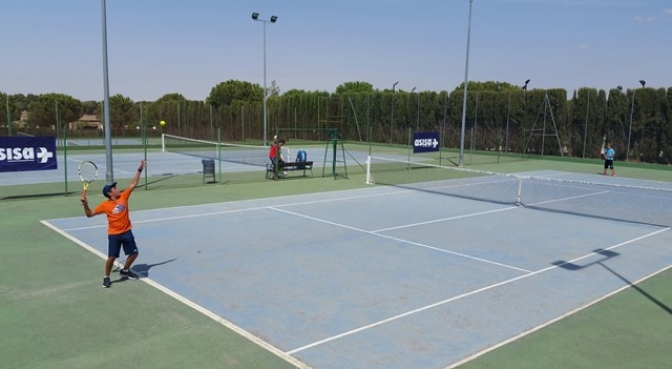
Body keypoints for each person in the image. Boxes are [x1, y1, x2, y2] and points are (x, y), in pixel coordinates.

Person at [80, 160, 146, 288]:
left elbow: (133, 184)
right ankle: (106, 277)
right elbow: (89, 214)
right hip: (114, 235)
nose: (117, 188)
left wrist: (139, 170)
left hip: (127, 231)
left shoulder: (124, 197)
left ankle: (125, 270)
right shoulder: (104, 205)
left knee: (134, 253)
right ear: (110, 193)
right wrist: (85, 204)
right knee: (111, 257)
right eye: (114, 188)